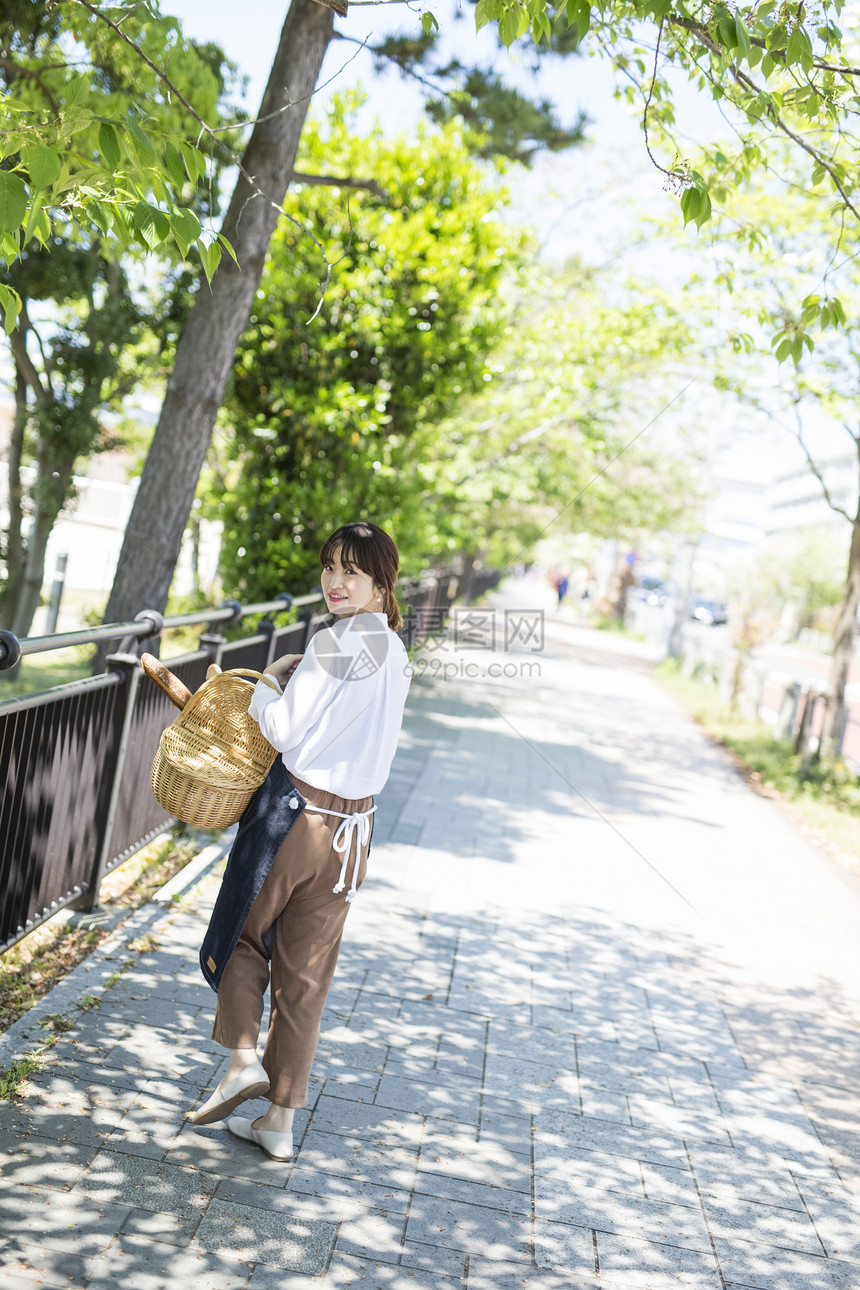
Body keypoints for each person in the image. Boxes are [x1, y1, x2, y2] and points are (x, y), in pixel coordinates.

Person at [188, 521, 412, 1161]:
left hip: (295, 817)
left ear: (379, 583)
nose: (336, 583)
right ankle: (279, 1123)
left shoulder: (336, 643)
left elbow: (284, 729)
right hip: (350, 836)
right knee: (306, 977)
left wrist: (265, 682)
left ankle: (239, 1062)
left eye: (353, 572)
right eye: (331, 568)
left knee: (240, 935)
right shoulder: (393, 650)